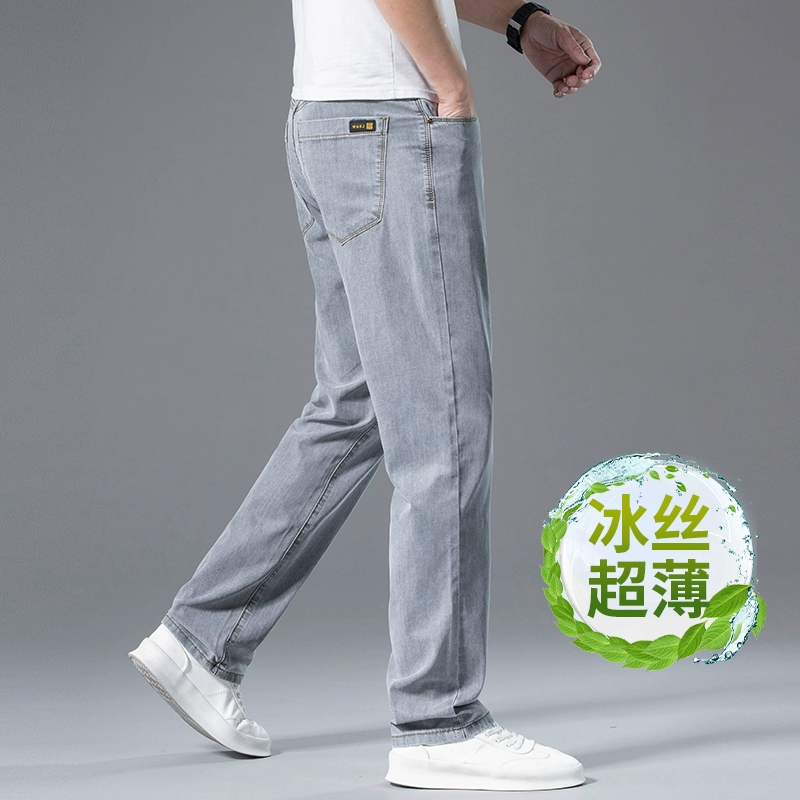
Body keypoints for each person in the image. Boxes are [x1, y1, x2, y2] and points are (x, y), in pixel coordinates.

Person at [128, 0, 600, 791]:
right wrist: (449, 85)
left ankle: (200, 642)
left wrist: (521, 22)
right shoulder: (414, 100)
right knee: (445, 421)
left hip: (331, 121)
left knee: (359, 404)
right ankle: (438, 721)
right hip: (392, 121)